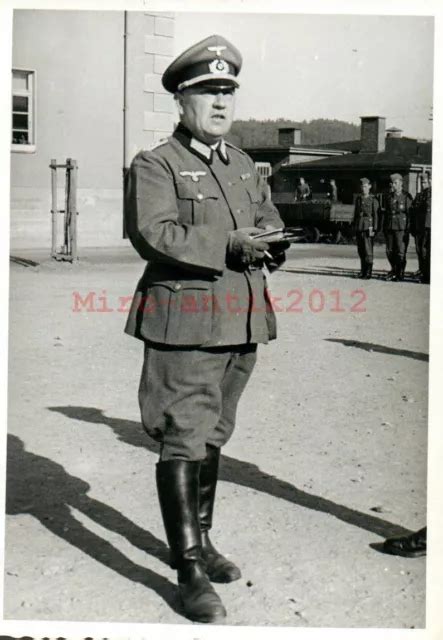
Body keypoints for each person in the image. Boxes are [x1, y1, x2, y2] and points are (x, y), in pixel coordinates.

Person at [123, 34, 287, 624]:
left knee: (215, 431)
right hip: (186, 322)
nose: (220, 103)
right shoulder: (157, 163)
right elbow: (154, 233)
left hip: (242, 318)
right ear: (181, 101)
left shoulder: (242, 164)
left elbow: (266, 215)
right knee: (184, 435)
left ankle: (204, 540)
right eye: (206, 92)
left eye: (227, 92)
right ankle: (189, 567)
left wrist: (272, 239)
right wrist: (230, 244)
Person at [382, 173, 413, 281]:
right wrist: (384, 227)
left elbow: (410, 214)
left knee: (400, 251)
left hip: (401, 227)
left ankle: (400, 273)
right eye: (392, 183)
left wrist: (408, 228)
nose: (393, 185)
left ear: (401, 183)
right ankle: (394, 269)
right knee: (389, 250)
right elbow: (386, 213)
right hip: (390, 226)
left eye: (395, 183)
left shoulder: (406, 196)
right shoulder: (389, 196)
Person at [353, 177, 379, 279]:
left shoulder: (373, 200)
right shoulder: (359, 199)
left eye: (365, 186)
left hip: (369, 227)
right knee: (361, 250)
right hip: (360, 226)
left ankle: (368, 272)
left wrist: (375, 228)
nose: (363, 188)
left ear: (369, 187)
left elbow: (376, 215)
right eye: (362, 186)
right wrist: (355, 226)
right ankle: (363, 270)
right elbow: (356, 214)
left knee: (368, 250)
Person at [410, 172, 431, 284]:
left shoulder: (431, 194)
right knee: (420, 250)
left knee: (426, 252)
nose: (423, 185)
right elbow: (413, 210)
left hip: (427, 227)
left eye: (425, 182)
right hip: (419, 228)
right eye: (422, 182)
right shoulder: (419, 195)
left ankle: (427, 274)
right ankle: (422, 271)